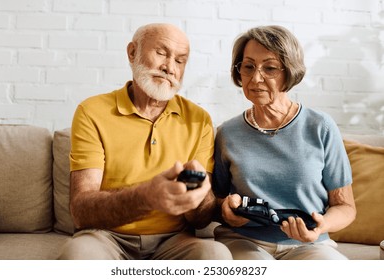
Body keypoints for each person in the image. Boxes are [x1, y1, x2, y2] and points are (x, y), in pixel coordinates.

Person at [58, 23, 232, 260]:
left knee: (216, 256)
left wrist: (198, 198)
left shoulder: (199, 119)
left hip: (174, 239)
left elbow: (201, 219)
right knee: (77, 257)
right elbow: (81, 210)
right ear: (132, 52)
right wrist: (147, 196)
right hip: (106, 237)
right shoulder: (92, 111)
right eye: (161, 53)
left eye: (180, 61)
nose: (170, 67)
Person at [212, 25, 356, 260]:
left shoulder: (321, 127)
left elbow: (345, 207)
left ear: (289, 72)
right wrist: (225, 210)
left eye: (269, 68)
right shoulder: (227, 133)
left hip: (310, 245)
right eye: (248, 67)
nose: (256, 78)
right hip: (244, 241)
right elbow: (214, 202)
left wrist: (320, 226)